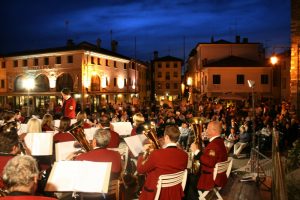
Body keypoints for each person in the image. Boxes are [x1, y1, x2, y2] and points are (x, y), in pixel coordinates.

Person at [137, 125, 188, 200]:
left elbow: (140, 170)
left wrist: (143, 152)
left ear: (166, 137)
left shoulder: (157, 154)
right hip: (175, 193)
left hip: (156, 194)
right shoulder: (184, 155)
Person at [190, 120, 228, 192]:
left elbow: (210, 162)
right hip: (219, 176)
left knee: (188, 180)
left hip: (209, 178)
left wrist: (196, 151)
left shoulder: (214, 145)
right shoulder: (220, 141)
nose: (206, 130)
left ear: (214, 130)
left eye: (207, 128)